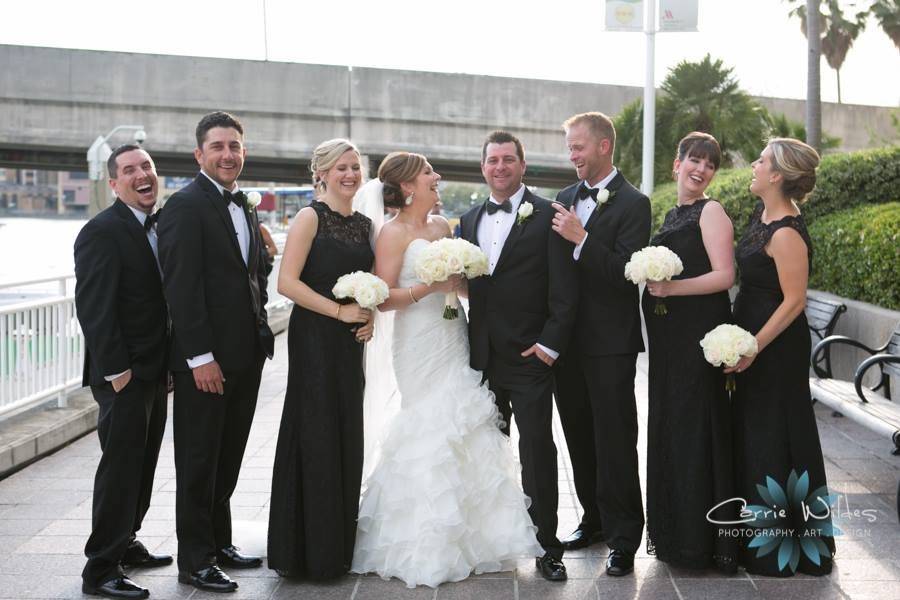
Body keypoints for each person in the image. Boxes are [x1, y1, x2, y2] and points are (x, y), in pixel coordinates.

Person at [351, 151, 542, 588]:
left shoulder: (441, 227)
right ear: (406, 187)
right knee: (427, 426)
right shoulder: (392, 233)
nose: (436, 177)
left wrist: (460, 282)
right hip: (416, 342)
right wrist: (427, 288)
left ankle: (476, 542)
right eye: (428, 173)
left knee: (463, 421)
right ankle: (424, 540)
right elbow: (381, 298)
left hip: (453, 335)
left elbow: (459, 289)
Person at [157, 111, 275, 593]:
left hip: (245, 355)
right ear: (199, 154)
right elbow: (180, 288)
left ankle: (220, 541)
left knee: (229, 456)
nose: (228, 154)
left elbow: (254, 275)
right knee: (200, 459)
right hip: (207, 362)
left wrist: (262, 324)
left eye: (235, 146)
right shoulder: (185, 206)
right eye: (219, 146)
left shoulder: (244, 205)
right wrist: (199, 356)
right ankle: (196, 559)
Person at [460, 131, 578, 581]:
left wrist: (548, 346)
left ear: (523, 165)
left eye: (509, 160)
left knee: (537, 452)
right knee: (485, 454)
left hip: (530, 358)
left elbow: (565, 291)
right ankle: (490, 541)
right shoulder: (468, 220)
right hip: (481, 358)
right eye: (493, 160)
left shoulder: (551, 215)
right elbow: (469, 284)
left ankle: (548, 547)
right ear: (483, 167)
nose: (500, 167)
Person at [267, 138, 374, 579]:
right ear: (323, 173)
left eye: (355, 167)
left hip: (350, 343)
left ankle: (337, 549)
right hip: (314, 338)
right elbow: (287, 284)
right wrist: (338, 311)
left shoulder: (366, 224)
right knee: (316, 432)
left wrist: (368, 318)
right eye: (341, 167)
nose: (350, 174)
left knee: (346, 433)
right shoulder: (310, 217)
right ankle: (304, 551)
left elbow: (369, 283)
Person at [728, 138, 835, 576]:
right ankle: (756, 539)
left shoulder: (787, 230)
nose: (753, 165)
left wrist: (753, 346)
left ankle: (785, 550)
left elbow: (794, 302)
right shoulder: (762, 216)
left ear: (777, 176)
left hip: (776, 347)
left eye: (761, 160)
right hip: (754, 339)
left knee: (777, 435)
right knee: (756, 434)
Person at [550, 112, 651, 576]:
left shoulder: (635, 203)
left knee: (615, 439)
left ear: (604, 146)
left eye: (579, 147)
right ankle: (592, 520)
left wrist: (582, 237)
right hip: (566, 344)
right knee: (578, 436)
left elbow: (624, 274)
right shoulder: (564, 198)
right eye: (569, 148)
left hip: (610, 344)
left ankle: (625, 536)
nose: (572, 155)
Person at [75, 145, 170, 599]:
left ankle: (128, 540)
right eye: (129, 170)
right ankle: (100, 568)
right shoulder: (102, 231)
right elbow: (94, 309)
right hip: (123, 375)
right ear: (114, 183)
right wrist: (117, 371)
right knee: (120, 469)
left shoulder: (158, 226)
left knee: (144, 463)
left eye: (146, 166)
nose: (141, 175)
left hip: (155, 369)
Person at [641, 132, 738, 572]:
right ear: (676, 164)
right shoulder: (672, 213)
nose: (701, 170)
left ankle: (702, 542)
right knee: (672, 428)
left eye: (709, 164)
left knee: (695, 429)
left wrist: (671, 288)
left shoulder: (711, 211)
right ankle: (676, 534)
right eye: (694, 160)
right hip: (669, 343)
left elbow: (725, 276)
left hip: (697, 339)